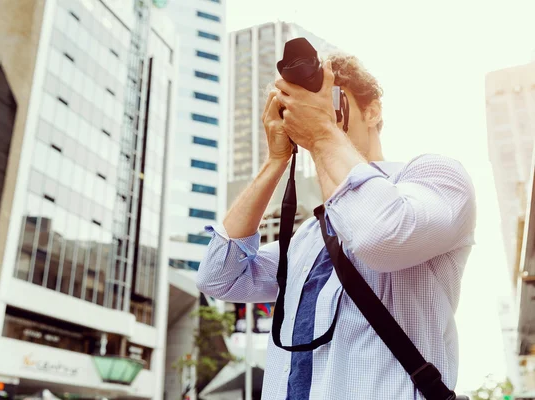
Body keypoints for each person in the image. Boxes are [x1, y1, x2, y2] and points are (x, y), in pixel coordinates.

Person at [197, 52, 477, 399]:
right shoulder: (309, 236)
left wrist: (321, 133)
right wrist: (275, 161)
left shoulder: (433, 178)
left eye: (329, 99)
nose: (319, 113)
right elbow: (219, 277)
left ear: (372, 111)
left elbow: (380, 235)